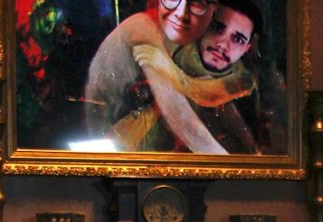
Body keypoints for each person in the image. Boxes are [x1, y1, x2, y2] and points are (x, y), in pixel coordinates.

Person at [84, 0, 253, 154]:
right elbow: (183, 121)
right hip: (109, 152)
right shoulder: (142, 27)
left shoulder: (184, 38)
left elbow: (206, 95)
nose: (181, 13)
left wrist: (252, 149)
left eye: (195, 3)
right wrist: (239, 170)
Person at [131, 0, 263, 154]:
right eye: (217, 28)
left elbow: (206, 94)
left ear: (247, 48)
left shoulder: (244, 83)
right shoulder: (172, 48)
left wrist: (168, 69)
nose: (222, 44)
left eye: (238, 39)